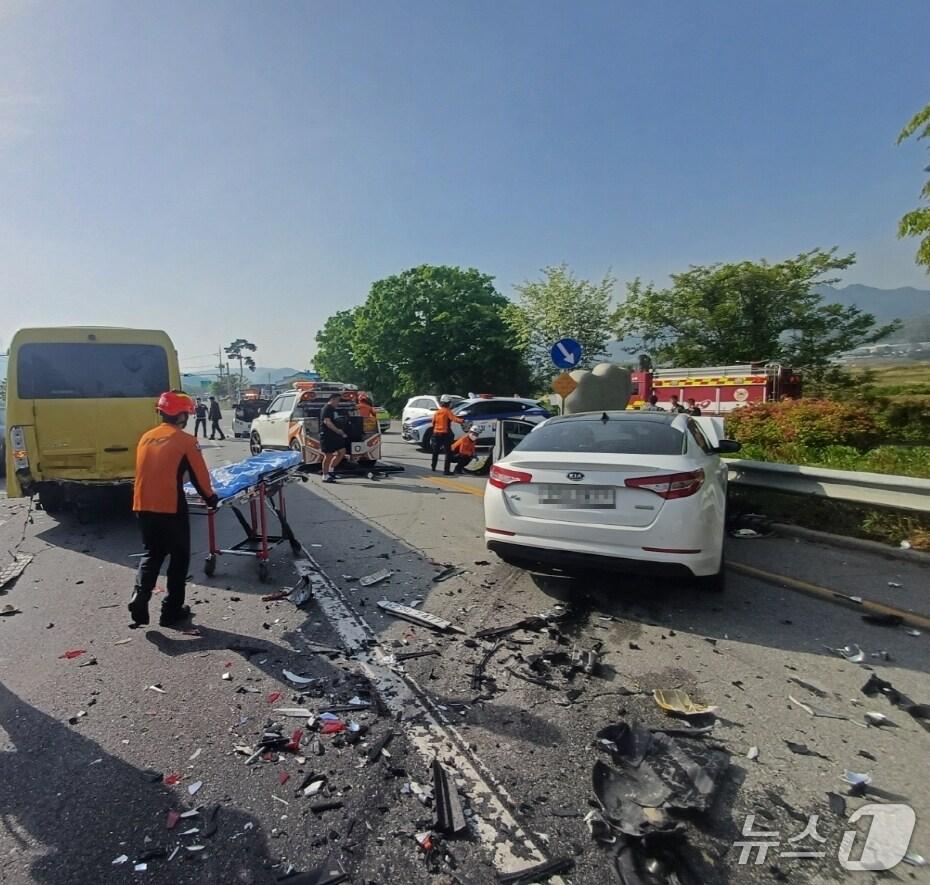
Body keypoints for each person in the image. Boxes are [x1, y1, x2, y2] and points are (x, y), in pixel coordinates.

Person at [128, 391, 218, 628]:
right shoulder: (186, 441)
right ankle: (171, 610)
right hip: (170, 506)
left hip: (142, 504)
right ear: (181, 416)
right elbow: (200, 477)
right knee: (179, 558)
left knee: (153, 553)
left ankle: (140, 596)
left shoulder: (146, 437)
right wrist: (211, 499)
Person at [319, 391, 348, 483]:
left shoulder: (332, 409)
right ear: (332, 399)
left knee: (342, 452)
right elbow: (327, 422)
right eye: (337, 400)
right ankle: (325, 475)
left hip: (335, 436)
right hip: (327, 435)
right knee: (328, 455)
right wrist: (338, 431)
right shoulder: (326, 409)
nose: (338, 403)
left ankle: (331, 471)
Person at [430, 395, 463, 472]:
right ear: (448, 403)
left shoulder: (437, 412)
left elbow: (433, 423)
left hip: (436, 434)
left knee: (435, 452)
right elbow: (454, 419)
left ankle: (433, 467)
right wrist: (462, 421)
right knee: (448, 453)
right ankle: (446, 470)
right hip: (445, 434)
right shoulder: (447, 411)